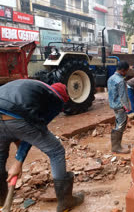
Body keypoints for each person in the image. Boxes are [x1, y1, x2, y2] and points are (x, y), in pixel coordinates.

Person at [0, 79, 84, 212]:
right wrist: (18, 160)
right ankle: (65, 202)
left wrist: (18, 153)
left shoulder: (36, 87)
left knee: (0, 157)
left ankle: (1, 202)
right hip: (16, 116)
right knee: (56, 151)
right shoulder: (56, 99)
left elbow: (21, 132)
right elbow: (36, 126)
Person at [107, 61, 131, 154]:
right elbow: (123, 96)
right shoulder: (121, 81)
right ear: (122, 71)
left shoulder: (111, 78)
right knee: (121, 125)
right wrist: (128, 109)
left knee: (118, 124)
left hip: (113, 105)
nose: (126, 73)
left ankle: (116, 145)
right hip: (120, 106)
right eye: (126, 71)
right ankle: (116, 147)